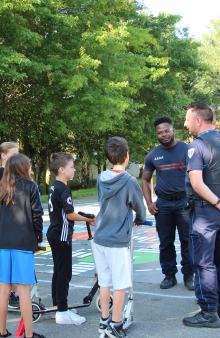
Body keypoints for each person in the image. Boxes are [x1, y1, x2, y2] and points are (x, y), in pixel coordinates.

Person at [182, 103, 220, 328]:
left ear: (198, 121)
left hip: (207, 213)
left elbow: (197, 183)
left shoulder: (197, 146)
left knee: (203, 262)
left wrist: (218, 203)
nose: (185, 124)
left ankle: (209, 311)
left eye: (188, 119)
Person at [93, 137, 146, 338]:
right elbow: (139, 207)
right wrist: (140, 218)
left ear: (107, 158)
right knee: (121, 283)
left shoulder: (101, 178)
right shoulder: (129, 181)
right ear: (127, 155)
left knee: (105, 282)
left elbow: (101, 201)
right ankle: (116, 324)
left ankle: (104, 320)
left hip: (101, 236)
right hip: (117, 239)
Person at [0, 154, 45, 338]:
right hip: (23, 243)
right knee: (24, 291)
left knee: (4, 289)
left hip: (3, 243)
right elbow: (37, 214)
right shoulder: (31, 186)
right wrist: (38, 236)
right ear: (24, 167)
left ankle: (2, 332)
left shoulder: (2, 188)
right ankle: (29, 335)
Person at [141, 116, 194, 291]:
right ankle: (169, 276)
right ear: (156, 134)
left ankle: (189, 275)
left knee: (188, 240)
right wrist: (149, 203)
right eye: (159, 132)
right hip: (163, 204)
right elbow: (145, 180)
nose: (163, 135)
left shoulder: (187, 150)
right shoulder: (153, 155)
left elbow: (198, 175)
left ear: (173, 130)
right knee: (165, 242)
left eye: (166, 131)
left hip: (184, 202)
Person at [47, 152, 95, 325]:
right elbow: (70, 215)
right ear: (61, 169)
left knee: (58, 271)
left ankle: (57, 305)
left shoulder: (54, 186)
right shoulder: (64, 189)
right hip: (61, 235)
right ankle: (62, 311)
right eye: (71, 167)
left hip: (55, 233)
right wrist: (89, 219)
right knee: (64, 273)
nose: (74, 170)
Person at [0, 141, 20, 307]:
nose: (17, 158)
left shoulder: (8, 172)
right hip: (8, 222)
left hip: (10, 220)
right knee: (11, 258)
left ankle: (14, 292)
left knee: (14, 257)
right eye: (13, 155)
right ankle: (12, 293)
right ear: (3, 156)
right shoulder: (4, 172)